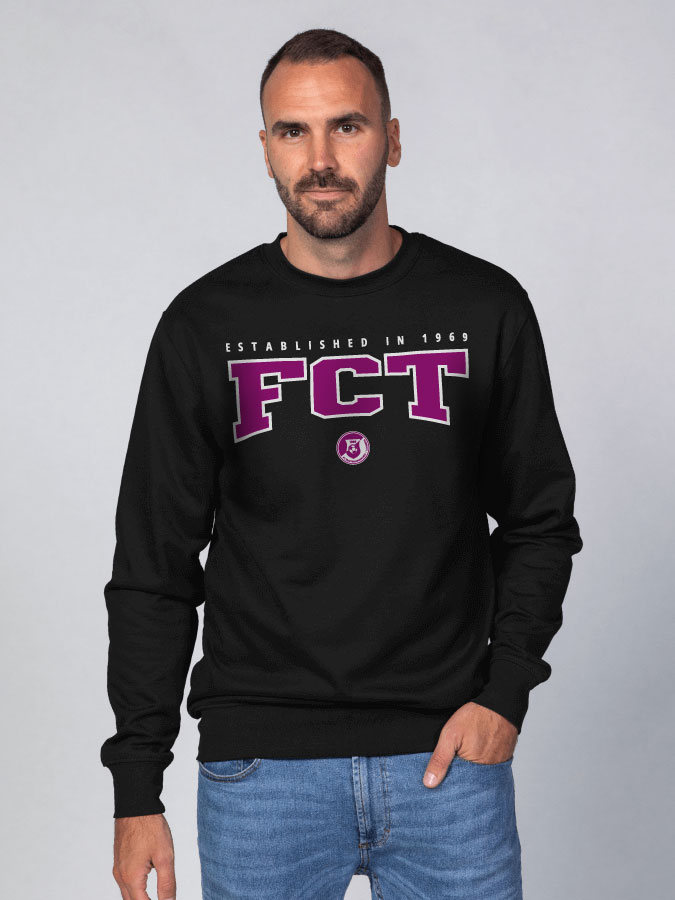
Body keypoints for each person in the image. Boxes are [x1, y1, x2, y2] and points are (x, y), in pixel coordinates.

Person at [102, 27, 583, 900]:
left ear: (391, 139)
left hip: (448, 761)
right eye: (293, 131)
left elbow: (539, 521)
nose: (319, 159)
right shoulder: (204, 325)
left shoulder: (483, 307)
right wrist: (137, 786)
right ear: (265, 148)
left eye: (347, 127)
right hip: (261, 771)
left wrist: (504, 693)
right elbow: (153, 566)